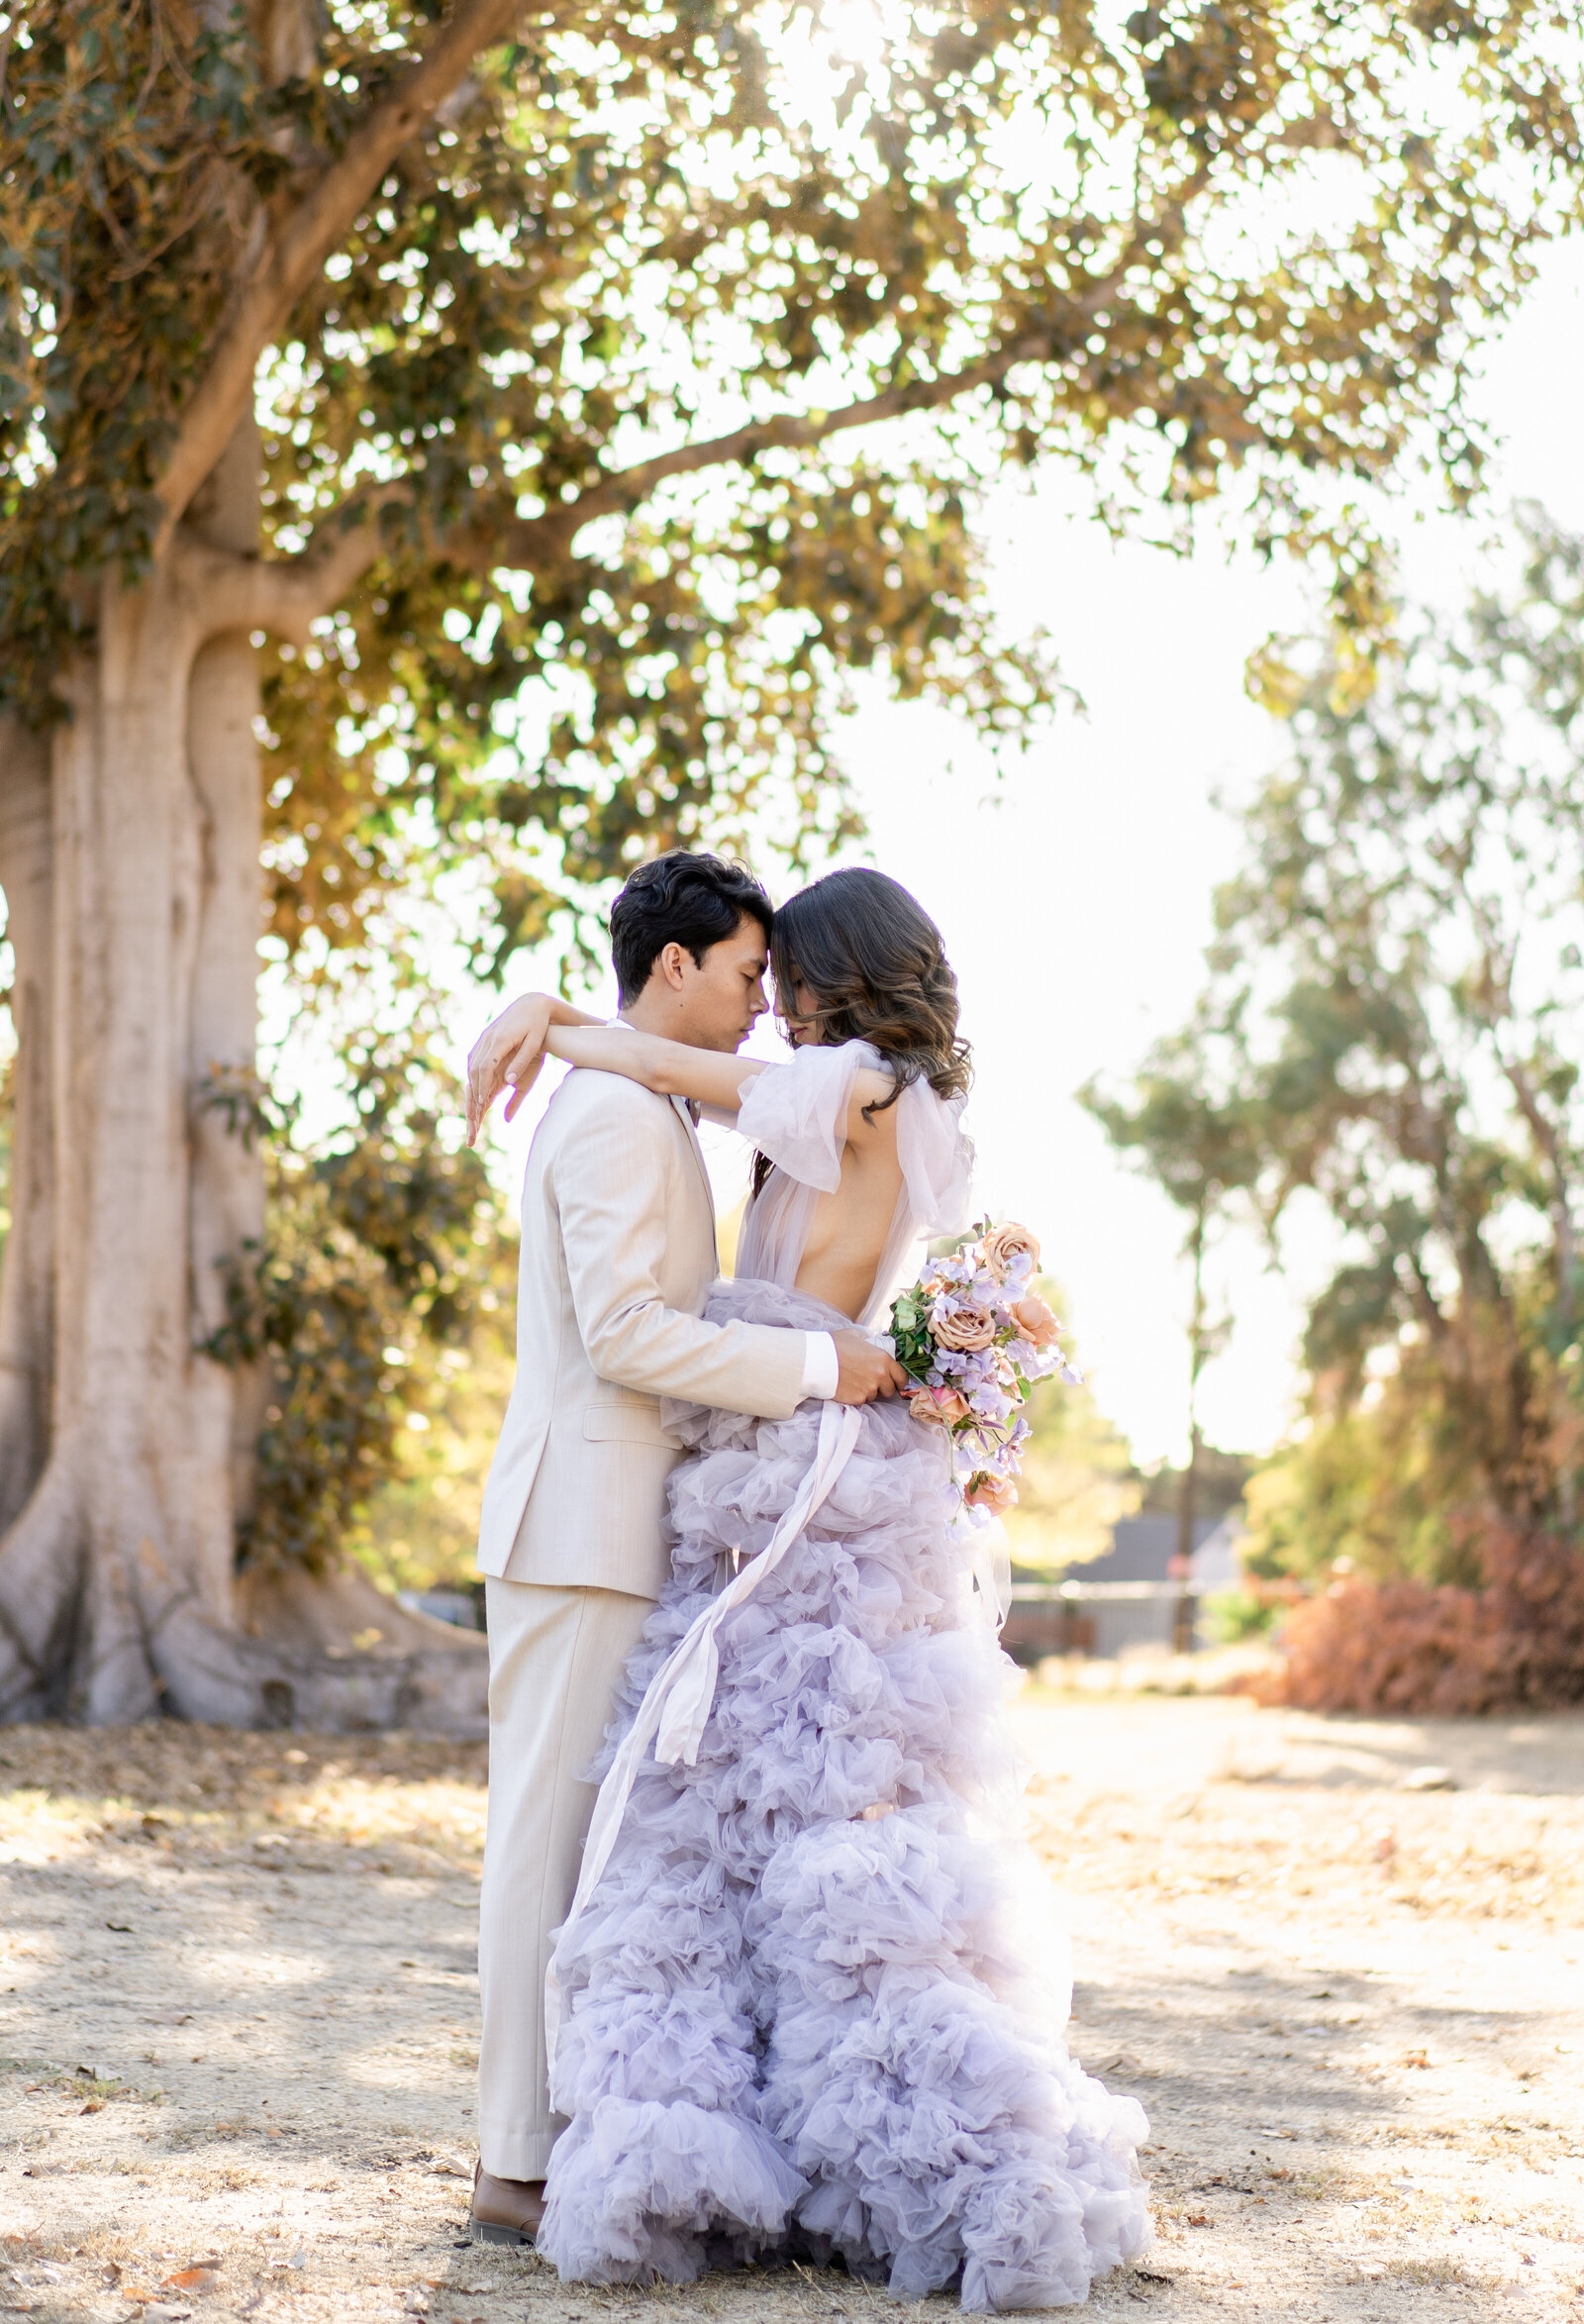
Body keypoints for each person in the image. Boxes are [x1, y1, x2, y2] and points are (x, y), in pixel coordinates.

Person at [467, 864, 1151, 2307]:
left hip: (799, 1467)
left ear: (838, 974)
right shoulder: (883, 1096)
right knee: (758, 1805)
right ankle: (737, 2127)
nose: (765, 999)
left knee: (740, 1801)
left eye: (782, 972)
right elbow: (685, 1072)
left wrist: (557, 1021)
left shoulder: (858, 1090)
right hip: (785, 1452)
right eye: (748, 970)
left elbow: (674, 1064)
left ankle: (723, 2134)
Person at [464, 852, 906, 2248]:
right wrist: (822, 1372)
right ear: (674, 967)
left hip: (626, 1525)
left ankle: (559, 2141)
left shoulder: (641, 1099)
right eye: (743, 974)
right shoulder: (607, 1113)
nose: (763, 1007)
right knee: (545, 1850)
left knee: (601, 1858)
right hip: (579, 1524)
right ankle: (510, 2166)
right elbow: (626, 1338)